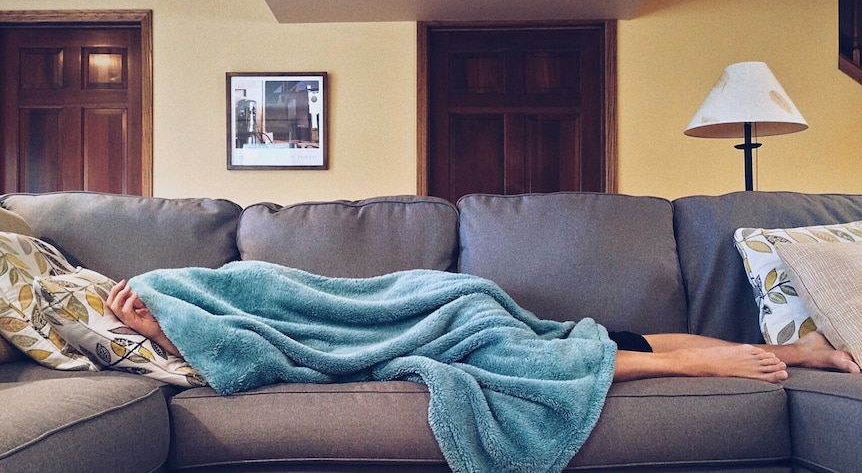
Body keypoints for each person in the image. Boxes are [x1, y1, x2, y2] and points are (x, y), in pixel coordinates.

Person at [105, 279, 861, 384]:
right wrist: (168, 329)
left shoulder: (194, 288)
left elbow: (297, 311)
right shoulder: (185, 305)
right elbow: (260, 343)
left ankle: (711, 365)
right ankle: (800, 349)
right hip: (458, 305)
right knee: (594, 335)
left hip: (452, 306)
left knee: (551, 353)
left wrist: (167, 321)